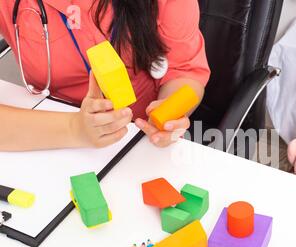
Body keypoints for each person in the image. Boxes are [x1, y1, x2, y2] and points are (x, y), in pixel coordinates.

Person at [0, 0, 210, 151]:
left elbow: (185, 70)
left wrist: (167, 112)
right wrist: (75, 129)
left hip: (139, 140)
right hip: (48, 134)